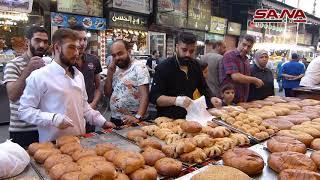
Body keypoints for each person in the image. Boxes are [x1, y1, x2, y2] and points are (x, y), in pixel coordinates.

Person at [18, 28, 115, 142]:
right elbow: (24, 111)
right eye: (71, 48)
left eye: (77, 48)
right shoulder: (39, 76)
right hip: (53, 145)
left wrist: (102, 122)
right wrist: (53, 118)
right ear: (57, 47)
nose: (76, 53)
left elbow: (84, 107)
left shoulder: (78, 75)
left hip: (80, 140)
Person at [149, 32, 222, 119]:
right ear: (177, 47)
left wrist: (212, 98)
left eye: (191, 51)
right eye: (184, 50)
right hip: (167, 118)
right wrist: (176, 100)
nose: (188, 54)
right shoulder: (163, 67)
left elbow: (203, 87)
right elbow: (154, 97)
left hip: (190, 116)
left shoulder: (196, 65)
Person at [3, 26, 49, 147]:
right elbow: (12, 95)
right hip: (22, 130)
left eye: (45, 41)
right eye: (37, 40)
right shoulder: (13, 65)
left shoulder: (48, 65)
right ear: (27, 41)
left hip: (45, 126)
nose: (42, 45)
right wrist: (29, 69)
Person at [104, 40, 150, 126]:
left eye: (120, 53)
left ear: (129, 51)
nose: (117, 58)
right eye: (114, 55)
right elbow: (107, 93)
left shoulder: (139, 68)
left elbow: (145, 95)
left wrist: (138, 117)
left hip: (133, 120)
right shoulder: (115, 69)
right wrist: (110, 72)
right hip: (115, 119)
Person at [70, 25, 102, 133]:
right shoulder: (65, 62)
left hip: (90, 111)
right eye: (78, 39)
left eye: (84, 39)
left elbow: (98, 87)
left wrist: (93, 104)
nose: (82, 43)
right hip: (71, 114)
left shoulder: (93, 60)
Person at [219, 34, 264, 103]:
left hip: (242, 100)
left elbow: (245, 79)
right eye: (244, 44)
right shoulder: (230, 55)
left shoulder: (246, 59)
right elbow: (235, 76)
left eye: (249, 46)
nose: (245, 48)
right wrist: (255, 80)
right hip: (230, 100)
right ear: (239, 43)